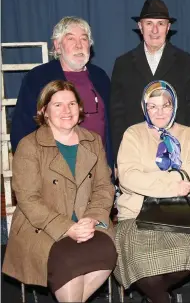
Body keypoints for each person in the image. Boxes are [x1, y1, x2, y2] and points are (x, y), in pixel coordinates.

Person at [2, 80, 117, 302]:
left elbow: (104, 186)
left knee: (108, 253)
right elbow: (28, 199)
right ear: (44, 111)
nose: (67, 110)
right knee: (68, 261)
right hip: (43, 229)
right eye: (58, 105)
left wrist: (91, 219)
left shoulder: (93, 141)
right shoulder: (29, 145)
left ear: (80, 108)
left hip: (88, 224)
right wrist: (68, 228)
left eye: (72, 104)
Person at [113, 80, 190, 303]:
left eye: (165, 105)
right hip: (136, 213)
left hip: (181, 214)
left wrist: (151, 181)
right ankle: (162, 298)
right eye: (152, 106)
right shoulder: (133, 134)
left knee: (185, 256)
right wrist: (173, 185)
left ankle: (155, 297)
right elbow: (127, 177)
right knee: (141, 261)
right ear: (144, 108)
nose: (159, 112)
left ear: (174, 106)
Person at [110, 0, 190, 163]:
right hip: (136, 153)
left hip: (177, 151)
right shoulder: (123, 63)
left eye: (160, 24)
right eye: (149, 23)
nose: (155, 30)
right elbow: (116, 115)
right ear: (140, 26)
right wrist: (119, 158)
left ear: (168, 28)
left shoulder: (185, 61)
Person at [10, 16, 113, 167]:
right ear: (57, 46)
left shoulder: (100, 76)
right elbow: (22, 127)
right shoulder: (38, 78)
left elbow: (112, 124)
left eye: (84, 39)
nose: (79, 45)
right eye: (71, 39)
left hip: (99, 168)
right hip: (55, 171)